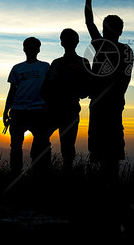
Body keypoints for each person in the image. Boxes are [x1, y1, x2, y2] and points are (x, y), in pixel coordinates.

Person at [84, 0, 134, 180]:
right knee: (110, 149)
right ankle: (110, 185)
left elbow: (89, 22)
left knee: (102, 147)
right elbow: (127, 77)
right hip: (112, 102)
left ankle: (107, 187)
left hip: (103, 102)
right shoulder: (126, 50)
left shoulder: (103, 45)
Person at [41, 28, 91, 172]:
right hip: (58, 109)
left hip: (67, 109)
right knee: (60, 145)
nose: (67, 42)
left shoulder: (80, 62)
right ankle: (48, 173)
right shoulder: (59, 63)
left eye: (69, 39)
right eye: (66, 39)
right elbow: (46, 87)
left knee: (66, 147)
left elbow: (86, 89)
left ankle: (56, 174)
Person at [3, 37, 50, 176]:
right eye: (28, 46)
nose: (30, 49)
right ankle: (15, 174)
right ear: (24, 48)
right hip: (18, 111)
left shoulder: (45, 67)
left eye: (34, 46)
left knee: (41, 144)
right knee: (16, 146)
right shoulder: (17, 68)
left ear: (38, 49)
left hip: (38, 111)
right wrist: (6, 111)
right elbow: (12, 91)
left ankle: (39, 173)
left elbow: (50, 88)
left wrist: (49, 106)